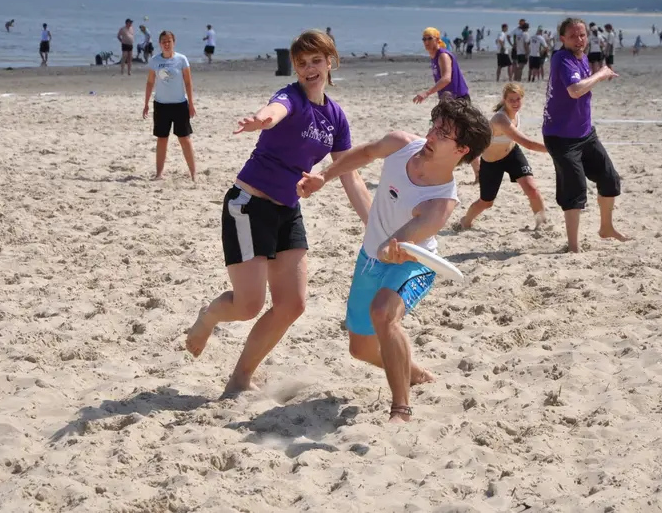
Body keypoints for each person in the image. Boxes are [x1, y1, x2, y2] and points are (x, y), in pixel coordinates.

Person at [184, 30, 371, 394]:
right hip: (249, 206)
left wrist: (376, 226)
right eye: (301, 63)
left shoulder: (336, 117)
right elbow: (275, 111)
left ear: (330, 62)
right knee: (247, 305)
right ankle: (206, 320)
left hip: (288, 210)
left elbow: (350, 176)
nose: (308, 69)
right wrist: (260, 120)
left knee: (292, 305)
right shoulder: (291, 97)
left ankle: (240, 379)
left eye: (316, 60)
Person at [295, 97, 492, 422]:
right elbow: (366, 153)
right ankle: (412, 371)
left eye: (444, 134)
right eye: (435, 126)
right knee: (359, 348)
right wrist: (324, 177)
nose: (431, 135)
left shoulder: (440, 202)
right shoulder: (401, 144)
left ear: (462, 151)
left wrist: (393, 246)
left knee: (383, 314)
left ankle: (401, 407)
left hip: (414, 263)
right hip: (371, 257)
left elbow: (404, 238)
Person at [542, 17, 627, 253]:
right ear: (563, 39)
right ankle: (573, 246)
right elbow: (575, 91)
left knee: (610, 179)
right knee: (575, 189)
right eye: (573, 36)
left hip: (585, 133)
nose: (579, 40)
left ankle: (606, 228)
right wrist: (601, 74)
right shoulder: (562, 59)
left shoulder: (582, 58)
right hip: (560, 137)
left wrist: (596, 74)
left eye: (582, 35)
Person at [458, 82, 548, 230]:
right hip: (492, 162)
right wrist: (556, 150)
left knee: (532, 189)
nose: (515, 103)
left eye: (518, 99)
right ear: (504, 100)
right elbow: (529, 144)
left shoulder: (516, 113)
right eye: (511, 100)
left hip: (512, 153)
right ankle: (465, 221)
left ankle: (541, 224)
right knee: (486, 202)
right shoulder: (500, 119)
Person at [413, 27, 479, 183]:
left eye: (430, 38)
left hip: (458, 101)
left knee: (451, 137)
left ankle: (476, 173)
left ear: (437, 39)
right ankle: (478, 173)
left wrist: (426, 93)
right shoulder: (434, 57)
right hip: (448, 102)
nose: (427, 42)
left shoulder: (442, 55)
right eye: (424, 39)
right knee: (455, 137)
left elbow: (446, 78)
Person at [142, 31, 197, 181]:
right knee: (162, 139)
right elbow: (150, 82)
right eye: (163, 42)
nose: (166, 44)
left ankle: (193, 173)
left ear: (174, 42)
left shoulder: (181, 60)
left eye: (169, 41)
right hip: (161, 105)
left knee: (184, 138)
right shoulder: (155, 61)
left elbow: (188, 82)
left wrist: (191, 104)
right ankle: (159, 174)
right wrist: (146, 103)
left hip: (180, 105)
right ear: (159, 44)